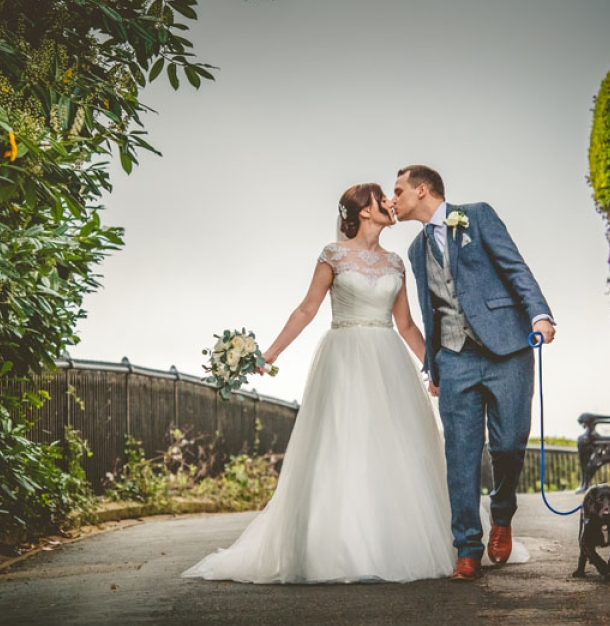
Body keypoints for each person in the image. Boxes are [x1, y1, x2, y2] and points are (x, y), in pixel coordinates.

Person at [183, 183, 525, 583]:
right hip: (343, 357)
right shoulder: (333, 255)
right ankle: (338, 547)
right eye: (383, 198)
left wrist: (435, 369)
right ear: (364, 210)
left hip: (388, 358)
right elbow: (306, 309)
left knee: (395, 447)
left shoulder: (397, 262)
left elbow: (408, 325)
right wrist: (270, 353)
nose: (390, 204)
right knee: (342, 445)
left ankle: (395, 542)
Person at [391, 164, 555, 582]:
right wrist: (435, 365)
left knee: (509, 445)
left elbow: (515, 267)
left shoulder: (477, 215)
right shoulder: (414, 251)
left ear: (422, 190)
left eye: (399, 190)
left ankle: (502, 513)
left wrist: (539, 316)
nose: (394, 198)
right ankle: (467, 547)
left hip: (508, 348)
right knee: (460, 455)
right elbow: (430, 312)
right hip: (455, 358)